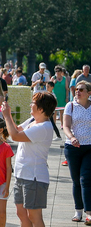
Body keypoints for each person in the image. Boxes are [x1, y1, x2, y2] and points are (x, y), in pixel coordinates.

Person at [1, 92, 57, 227]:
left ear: (41, 109)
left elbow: (15, 136)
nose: (30, 105)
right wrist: (6, 115)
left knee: (33, 215)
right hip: (22, 174)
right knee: (21, 212)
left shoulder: (43, 127)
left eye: (33, 103)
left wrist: (7, 115)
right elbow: (15, 130)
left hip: (35, 177)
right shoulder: (33, 120)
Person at [62, 81, 91, 223]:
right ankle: (78, 211)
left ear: (89, 93)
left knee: (86, 179)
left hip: (89, 148)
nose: (77, 92)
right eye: (76, 89)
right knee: (76, 181)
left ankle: (89, 212)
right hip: (72, 148)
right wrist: (72, 137)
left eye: (81, 90)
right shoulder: (71, 106)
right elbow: (66, 126)